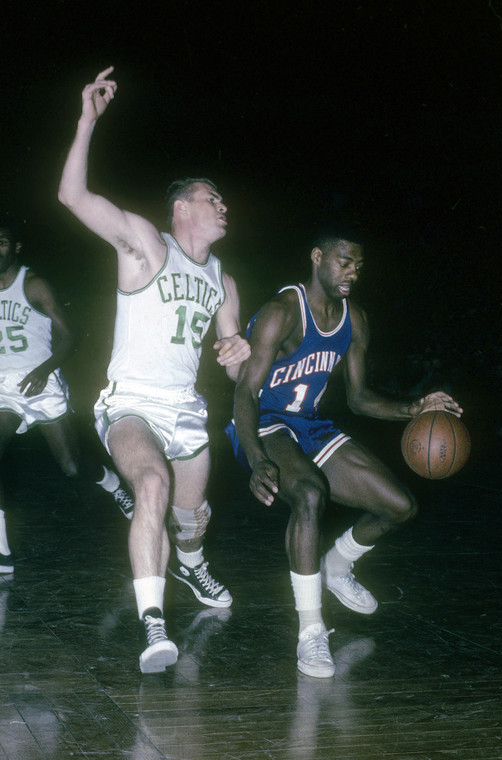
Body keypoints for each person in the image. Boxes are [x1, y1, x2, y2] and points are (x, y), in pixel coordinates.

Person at [58, 67, 250, 674]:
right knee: (151, 488)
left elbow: (233, 354)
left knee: (190, 523)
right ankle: (154, 626)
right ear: (180, 208)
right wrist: (87, 122)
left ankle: (191, 561)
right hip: (131, 403)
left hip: (186, 410)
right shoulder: (146, 245)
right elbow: (73, 198)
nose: (223, 204)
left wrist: (238, 354)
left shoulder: (224, 280)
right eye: (210, 196)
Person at [228, 225, 463, 679]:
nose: (353, 272)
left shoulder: (355, 319)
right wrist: (256, 457)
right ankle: (311, 631)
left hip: (310, 425)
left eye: (358, 265)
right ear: (317, 257)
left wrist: (417, 407)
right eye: (344, 261)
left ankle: (336, 566)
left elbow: (359, 399)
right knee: (310, 495)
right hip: (264, 422)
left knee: (400, 507)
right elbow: (245, 391)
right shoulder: (282, 311)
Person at [0, 217, 134, 574]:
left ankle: (111, 481)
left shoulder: (34, 285)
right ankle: (2, 551)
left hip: (41, 383)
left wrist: (44, 369)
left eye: (2, 242)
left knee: (72, 467)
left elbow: (72, 337)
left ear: (16, 248)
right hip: (4, 387)